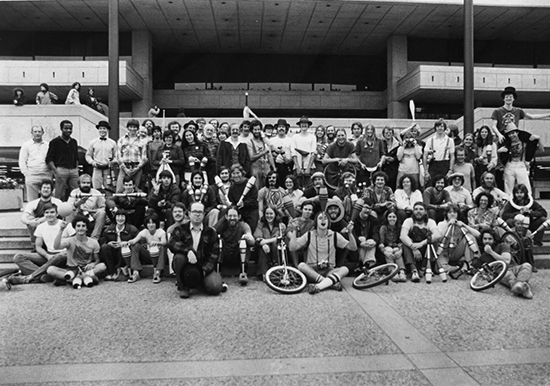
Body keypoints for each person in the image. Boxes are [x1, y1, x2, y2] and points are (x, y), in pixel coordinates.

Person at [289, 211, 357, 295]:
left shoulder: (335, 235)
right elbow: (292, 248)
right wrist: (294, 230)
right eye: (320, 218)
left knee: (345, 269)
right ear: (316, 222)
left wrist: (350, 233)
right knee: (301, 265)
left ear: (328, 222)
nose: (323, 221)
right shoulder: (309, 234)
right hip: (312, 271)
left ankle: (318, 286)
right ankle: (328, 283)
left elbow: (353, 247)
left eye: (325, 219)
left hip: (329, 271)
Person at [9, 203, 75, 285]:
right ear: (44, 214)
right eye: (47, 212)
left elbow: (75, 242)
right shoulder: (41, 227)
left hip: (64, 255)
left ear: (57, 214)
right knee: (18, 257)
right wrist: (47, 256)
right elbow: (38, 247)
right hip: (49, 255)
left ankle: (30, 277)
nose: (49, 215)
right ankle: (43, 276)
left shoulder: (65, 225)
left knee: (61, 255)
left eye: (52, 212)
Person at [168, 202, 223, 298]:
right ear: (189, 214)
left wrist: (203, 271)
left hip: (203, 265)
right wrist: (188, 250)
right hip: (185, 265)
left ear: (204, 214)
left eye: (200, 212)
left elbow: (214, 254)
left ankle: (198, 281)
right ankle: (183, 287)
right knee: (179, 257)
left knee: (216, 287)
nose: (197, 214)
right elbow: (172, 243)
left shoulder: (211, 232)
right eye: (194, 211)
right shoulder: (180, 229)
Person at [47, 215, 106, 288]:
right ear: (74, 228)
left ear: (87, 228)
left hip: (86, 269)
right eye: (78, 226)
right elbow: (56, 247)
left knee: (102, 266)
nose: (81, 228)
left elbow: (97, 259)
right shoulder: (69, 240)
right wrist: (61, 230)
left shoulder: (94, 242)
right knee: (50, 269)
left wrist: (93, 264)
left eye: (83, 226)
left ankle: (71, 280)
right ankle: (86, 279)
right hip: (71, 269)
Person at [477, 229, 533, 299]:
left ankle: (519, 286)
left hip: (514, 268)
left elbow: (506, 261)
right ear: (482, 240)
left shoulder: (502, 246)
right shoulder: (483, 257)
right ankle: (522, 287)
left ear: (494, 240)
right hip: (502, 272)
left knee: (527, 265)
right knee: (507, 275)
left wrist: (491, 252)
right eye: (485, 239)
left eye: (490, 239)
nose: (487, 241)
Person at [400, 202, 441, 282]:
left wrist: (421, 244)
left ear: (425, 211)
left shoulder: (430, 222)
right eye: (416, 209)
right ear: (413, 211)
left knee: (433, 241)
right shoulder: (408, 221)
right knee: (405, 243)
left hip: (425, 250)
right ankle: (414, 271)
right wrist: (413, 247)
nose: (418, 211)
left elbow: (437, 235)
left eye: (421, 209)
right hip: (412, 252)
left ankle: (424, 267)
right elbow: (403, 235)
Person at [498, 122, 540, 196]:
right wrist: (500, 151)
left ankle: (528, 201)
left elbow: (535, 146)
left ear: (517, 132)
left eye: (513, 133)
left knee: (525, 184)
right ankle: (509, 203)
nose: (511, 135)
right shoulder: (507, 144)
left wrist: (528, 161)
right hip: (509, 164)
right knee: (508, 186)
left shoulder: (523, 142)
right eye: (509, 134)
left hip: (521, 163)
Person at [437, 204, 480, 276]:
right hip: (444, 251)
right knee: (441, 268)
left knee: (470, 237)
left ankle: (468, 265)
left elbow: (478, 235)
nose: (452, 214)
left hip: (456, 251)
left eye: (455, 212)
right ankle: (457, 268)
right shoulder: (441, 224)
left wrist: (464, 225)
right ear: (446, 214)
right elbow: (439, 237)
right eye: (450, 212)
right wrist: (448, 225)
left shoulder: (460, 224)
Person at [127, 213, 167, 284]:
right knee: (135, 246)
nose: (151, 225)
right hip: (148, 254)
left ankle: (158, 272)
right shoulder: (144, 232)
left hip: (158, 255)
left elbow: (164, 242)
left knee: (163, 247)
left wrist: (157, 243)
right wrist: (128, 242)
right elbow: (134, 241)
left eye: (153, 223)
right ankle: (136, 272)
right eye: (149, 223)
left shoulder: (161, 232)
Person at [99, 208, 139, 281]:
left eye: (122, 216)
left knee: (123, 247)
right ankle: (112, 273)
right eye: (118, 216)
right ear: (115, 217)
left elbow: (138, 243)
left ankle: (121, 271)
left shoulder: (132, 229)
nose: (120, 219)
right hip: (113, 253)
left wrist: (126, 243)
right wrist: (109, 243)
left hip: (126, 254)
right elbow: (102, 241)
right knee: (105, 247)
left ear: (126, 218)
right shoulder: (108, 230)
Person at [20, 180, 63, 247]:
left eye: (48, 188)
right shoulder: (33, 203)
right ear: (39, 190)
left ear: (52, 191)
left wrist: (40, 220)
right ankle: (35, 245)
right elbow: (23, 217)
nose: (46, 190)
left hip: (53, 224)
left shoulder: (57, 202)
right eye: (44, 188)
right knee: (30, 218)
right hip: (39, 226)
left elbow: (59, 215)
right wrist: (29, 222)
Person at [46, 120, 79, 200]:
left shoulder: (74, 142)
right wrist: (56, 171)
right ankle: (57, 210)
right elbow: (49, 158)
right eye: (66, 128)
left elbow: (76, 157)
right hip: (61, 170)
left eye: (70, 129)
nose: (68, 130)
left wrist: (76, 169)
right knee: (59, 193)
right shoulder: (55, 142)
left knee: (76, 193)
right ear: (61, 129)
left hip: (73, 171)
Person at [66, 174, 107, 239]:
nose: (86, 185)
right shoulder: (74, 192)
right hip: (78, 214)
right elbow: (69, 206)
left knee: (102, 213)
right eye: (84, 183)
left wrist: (92, 211)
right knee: (68, 211)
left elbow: (104, 207)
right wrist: (80, 202)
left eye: (88, 183)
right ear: (79, 184)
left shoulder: (96, 193)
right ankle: (72, 236)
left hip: (92, 215)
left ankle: (95, 238)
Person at [18, 125, 52, 201]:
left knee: (47, 199)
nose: (37, 133)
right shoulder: (26, 145)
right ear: (31, 133)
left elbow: (52, 159)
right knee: (32, 200)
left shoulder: (48, 145)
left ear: (43, 133)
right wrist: (26, 173)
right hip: (32, 175)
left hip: (46, 174)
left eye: (39, 131)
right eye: (35, 131)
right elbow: (22, 161)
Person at [254, 206, 286, 280]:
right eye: (267, 213)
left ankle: (277, 269)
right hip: (264, 249)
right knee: (262, 248)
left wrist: (265, 241)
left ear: (275, 214)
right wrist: (264, 244)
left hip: (276, 249)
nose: (269, 216)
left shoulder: (281, 225)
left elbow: (280, 238)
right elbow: (258, 238)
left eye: (271, 213)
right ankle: (263, 273)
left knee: (276, 244)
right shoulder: (260, 224)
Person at [116, 119, 148, 192]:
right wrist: (125, 168)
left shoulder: (142, 141)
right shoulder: (121, 140)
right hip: (124, 167)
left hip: (137, 167)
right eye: (131, 127)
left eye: (135, 127)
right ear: (127, 128)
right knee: (120, 190)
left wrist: (137, 168)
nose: (132, 129)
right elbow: (118, 155)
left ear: (137, 128)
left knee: (135, 189)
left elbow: (144, 157)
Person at [85, 120, 117, 191]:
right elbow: (88, 156)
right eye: (101, 128)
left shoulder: (112, 143)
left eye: (104, 128)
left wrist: (111, 162)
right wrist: (93, 163)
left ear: (107, 130)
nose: (102, 130)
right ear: (98, 130)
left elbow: (116, 156)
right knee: (96, 188)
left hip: (108, 169)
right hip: (97, 168)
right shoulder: (93, 142)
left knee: (109, 188)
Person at [227, 164, 259, 233]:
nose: (236, 175)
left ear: (242, 173)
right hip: (240, 212)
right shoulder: (232, 187)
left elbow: (254, 200)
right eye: (233, 173)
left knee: (250, 230)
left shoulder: (250, 183)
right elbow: (232, 202)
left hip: (251, 210)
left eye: (238, 173)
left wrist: (244, 204)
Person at [378, 208, 406, 282]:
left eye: (394, 217)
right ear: (387, 218)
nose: (392, 219)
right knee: (389, 250)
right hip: (387, 248)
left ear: (397, 218)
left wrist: (400, 251)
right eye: (390, 217)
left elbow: (401, 242)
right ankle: (393, 272)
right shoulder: (383, 228)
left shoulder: (399, 227)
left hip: (396, 247)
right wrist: (385, 252)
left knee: (397, 250)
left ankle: (402, 272)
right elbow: (381, 243)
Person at [423, 118, 455, 183]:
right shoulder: (430, 140)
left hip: (444, 164)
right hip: (433, 164)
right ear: (435, 128)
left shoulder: (450, 140)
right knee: (432, 184)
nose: (440, 128)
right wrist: (426, 171)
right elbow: (424, 156)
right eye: (438, 126)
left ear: (445, 128)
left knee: (445, 184)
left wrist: (450, 170)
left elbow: (452, 156)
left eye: (441, 126)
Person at [247, 119, 275, 191]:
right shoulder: (249, 142)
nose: (257, 131)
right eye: (255, 129)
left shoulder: (264, 141)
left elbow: (270, 153)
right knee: (256, 187)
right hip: (255, 167)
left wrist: (274, 168)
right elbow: (251, 157)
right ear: (251, 130)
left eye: (258, 129)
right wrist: (263, 152)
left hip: (266, 165)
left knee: (269, 187)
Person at [286, 200, 315, 267]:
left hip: (305, 244)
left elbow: (311, 235)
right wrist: (295, 239)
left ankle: (307, 266)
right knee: (291, 242)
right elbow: (288, 232)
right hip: (294, 243)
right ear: (302, 210)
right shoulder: (294, 220)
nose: (307, 211)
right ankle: (296, 266)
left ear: (312, 212)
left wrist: (301, 241)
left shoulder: (313, 223)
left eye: (310, 210)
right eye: (305, 209)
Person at [292, 116, 317, 188]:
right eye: (302, 123)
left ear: (308, 125)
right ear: (299, 125)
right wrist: (297, 167)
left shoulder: (312, 137)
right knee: (297, 187)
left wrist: (308, 168)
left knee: (310, 187)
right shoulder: (295, 137)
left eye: (306, 123)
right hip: (297, 167)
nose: (304, 125)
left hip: (309, 167)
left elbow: (313, 153)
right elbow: (293, 153)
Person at [269, 119, 294, 186]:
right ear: (276, 129)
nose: (281, 129)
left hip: (288, 166)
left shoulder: (291, 140)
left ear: (286, 129)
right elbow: (269, 154)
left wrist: (289, 160)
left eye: (283, 127)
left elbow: (293, 153)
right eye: (279, 127)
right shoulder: (271, 140)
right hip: (275, 166)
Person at [381, 126, 401, 191]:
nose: (388, 134)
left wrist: (393, 159)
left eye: (390, 132)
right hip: (383, 168)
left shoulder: (397, 144)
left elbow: (400, 156)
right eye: (386, 133)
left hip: (393, 169)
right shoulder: (381, 143)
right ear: (383, 134)